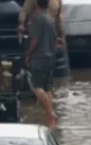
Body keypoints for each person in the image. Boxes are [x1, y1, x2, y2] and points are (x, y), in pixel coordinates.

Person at [25, 0, 59, 129]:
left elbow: (35, 40)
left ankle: (50, 113)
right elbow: (55, 40)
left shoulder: (39, 19)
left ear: (36, 4)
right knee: (47, 88)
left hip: (40, 57)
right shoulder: (51, 19)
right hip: (50, 57)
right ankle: (50, 118)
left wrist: (29, 54)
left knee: (36, 87)